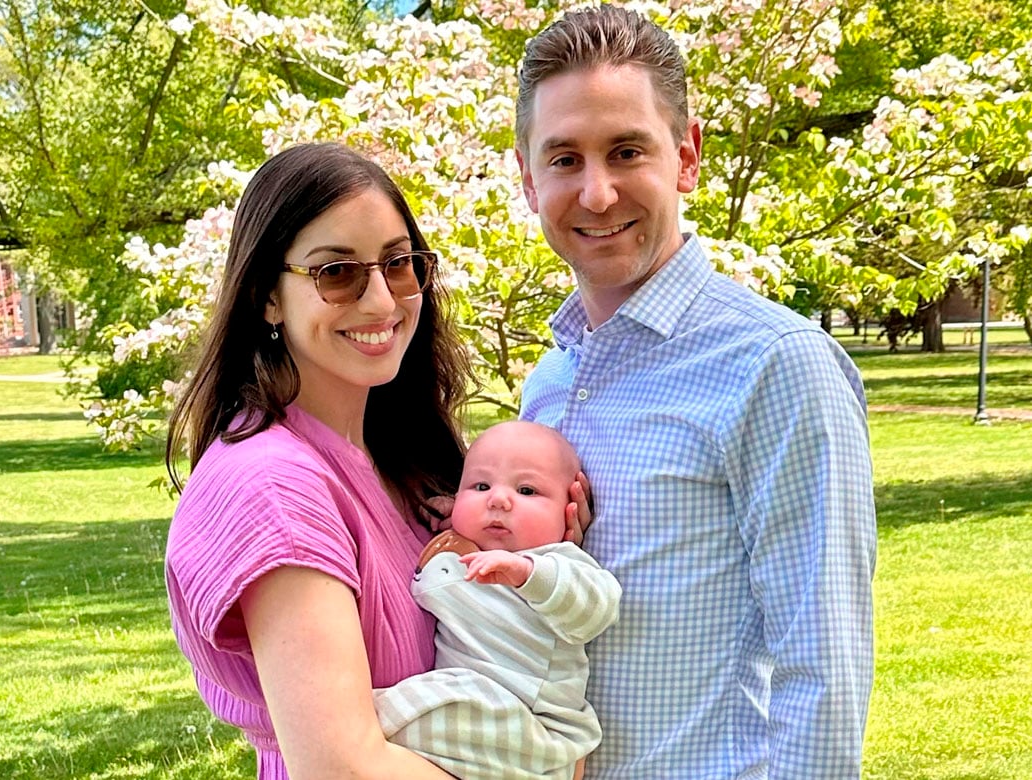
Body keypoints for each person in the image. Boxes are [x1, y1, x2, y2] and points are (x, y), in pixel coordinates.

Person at [513, 6, 877, 778]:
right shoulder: (548, 383)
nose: (598, 193)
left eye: (626, 151)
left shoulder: (777, 364)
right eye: (565, 159)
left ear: (687, 157)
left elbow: (825, 665)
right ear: (527, 178)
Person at [162, 142, 472, 779]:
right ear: (266, 297)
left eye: (400, 263)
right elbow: (341, 769)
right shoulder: (273, 485)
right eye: (337, 273)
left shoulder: (400, 457)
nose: (383, 302)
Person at [374, 420, 622, 780]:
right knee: (444, 704)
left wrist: (528, 573)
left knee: (428, 707)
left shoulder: (560, 563)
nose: (499, 499)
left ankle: (357, 721)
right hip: (481, 720)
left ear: (570, 511)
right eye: (480, 485)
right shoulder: (459, 551)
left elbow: (597, 609)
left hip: (532, 724)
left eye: (526, 490)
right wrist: (457, 522)